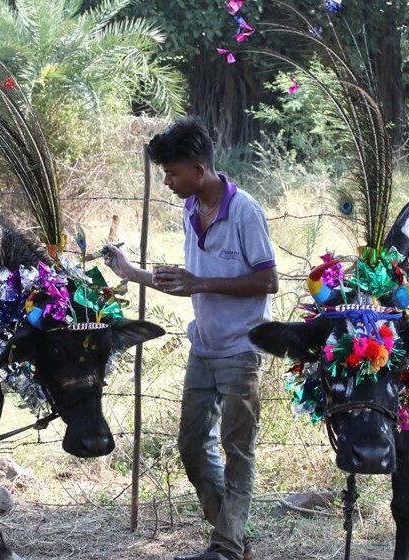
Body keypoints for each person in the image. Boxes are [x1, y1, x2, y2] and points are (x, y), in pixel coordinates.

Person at [103, 117, 278, 560]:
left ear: (199, 171)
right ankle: (233, 540)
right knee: (192, 444)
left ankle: (226, 546)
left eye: (172, 173)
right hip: (204, 346)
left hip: (242, 349)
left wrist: (201, 283)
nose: (167, 182)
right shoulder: (190, 209)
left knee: (237, 450)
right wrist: (130, 272)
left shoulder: (245, 211)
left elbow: (269, 281)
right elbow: (185, 283)